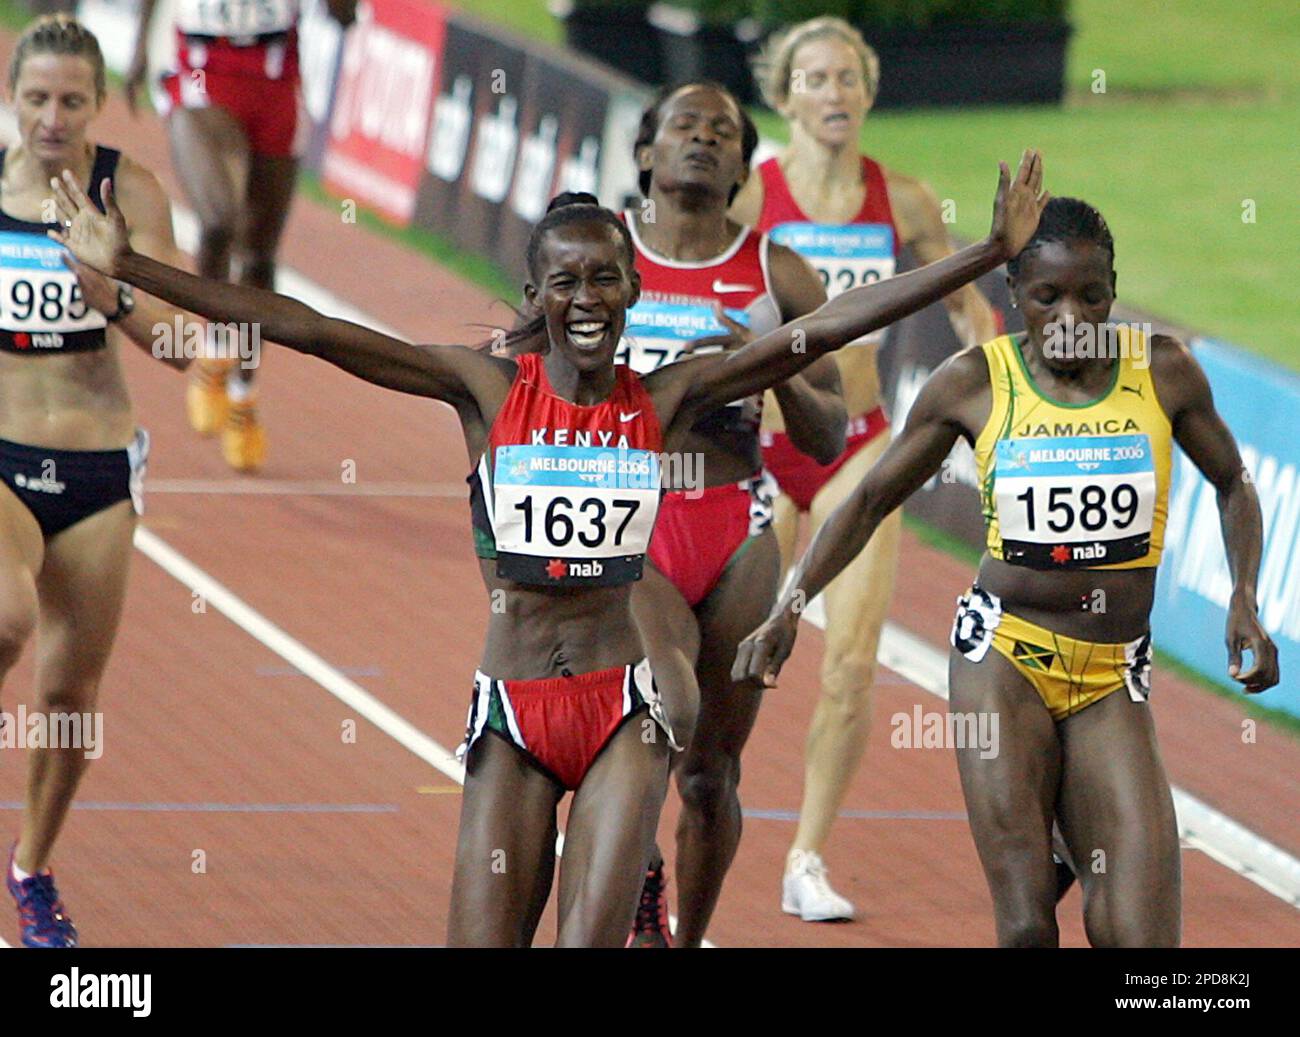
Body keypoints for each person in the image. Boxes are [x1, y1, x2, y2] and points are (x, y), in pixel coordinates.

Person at [50, 151, 1047, 946]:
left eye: (607, 278)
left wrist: (985, 254)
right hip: (515, 712)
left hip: (622, 707)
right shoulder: (484, 390)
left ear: (631, 288)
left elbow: (816, 330)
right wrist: (127, 265)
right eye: (565, 279)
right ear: (535, 288)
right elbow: (303, 325)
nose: (587, 298)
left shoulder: (664, 396)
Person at [734, 196, 1279, 947]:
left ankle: (1068, 832)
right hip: (1005, 655)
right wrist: (789, 606)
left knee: (1141, 941)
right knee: (1026, 926)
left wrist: (1244, 596)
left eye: (1091, 294)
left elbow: (1234, 483)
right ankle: (1047, 842)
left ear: (1113, 289)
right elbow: (866, 499)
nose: (1070, 316)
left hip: (1112, 671)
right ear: (1014, 296)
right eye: (1046, 296)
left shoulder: (1163, 371)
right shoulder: (973, 382)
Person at [729, 16, 998, 921]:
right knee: (730, 654)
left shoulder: (906, 199)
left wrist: (992, 373)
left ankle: (806, 856)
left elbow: (970, 307)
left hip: (861, 447)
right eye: (816, 78)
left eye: (849, 77)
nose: (834, 93)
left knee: (848, 663)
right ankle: (698, 798)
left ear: (869, 93)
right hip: (760, 446)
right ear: (785, 96)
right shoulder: (749, 197)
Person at [620, 80, 844, 948]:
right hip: (632, 520)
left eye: (723, 133)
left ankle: (683, 933)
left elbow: (827, 433)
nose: (704, 140)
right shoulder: (610, 254)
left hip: (737, 521)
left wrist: (765, 361)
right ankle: (638, 880)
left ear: (745, 168)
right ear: (647, 152)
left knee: (711, 774)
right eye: (685, 126)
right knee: (662, 714)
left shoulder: (777, 273)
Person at [0, 14, 193, 947]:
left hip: (96, 465)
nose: (52, 117)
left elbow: (187, 345)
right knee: (5, 616)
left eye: (72, 99)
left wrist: (109, 285)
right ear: (11, 97)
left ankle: (31, 869)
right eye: (36, 97)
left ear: (99, 104)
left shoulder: (131, 191)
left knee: (71, 701)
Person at [124, 0, 357, 471]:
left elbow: (344, 16)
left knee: (258, 258)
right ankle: (214, 348)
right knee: (217, 220)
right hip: (200, 71)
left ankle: (244, 393)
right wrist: (139, 49)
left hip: (275, 82)